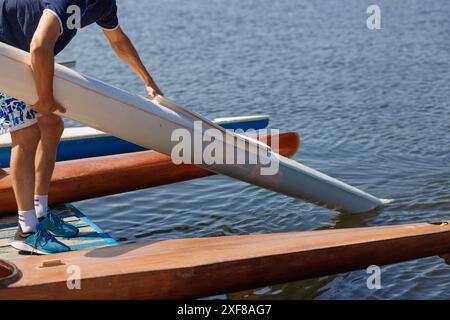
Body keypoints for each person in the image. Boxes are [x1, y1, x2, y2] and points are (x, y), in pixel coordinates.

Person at [0, 0, 163, 254]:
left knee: (52, 125)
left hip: (22, 52)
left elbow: (118, 41)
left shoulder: (105, 4)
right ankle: (27, 231)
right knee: (26, 132)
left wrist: (148, 81)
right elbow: (40, 45)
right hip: (4, 51)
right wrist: (44, 100)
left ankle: (40, 212)